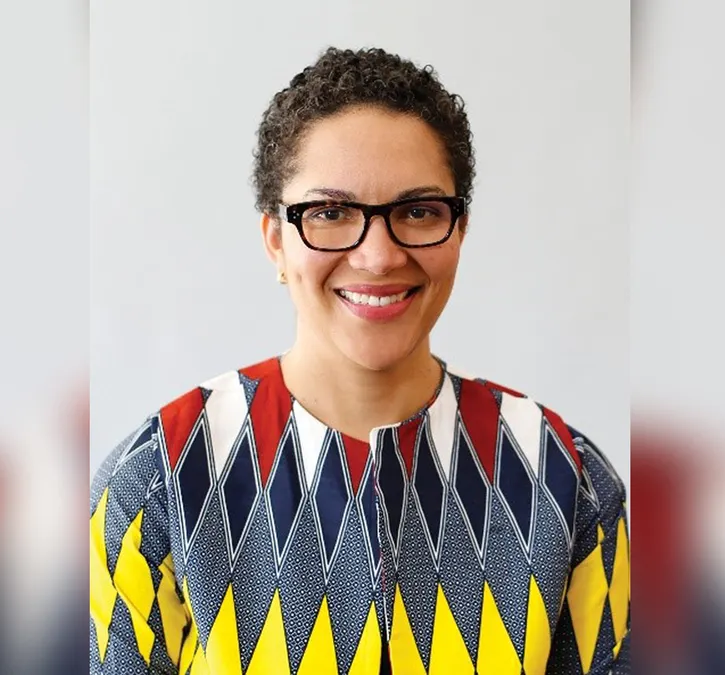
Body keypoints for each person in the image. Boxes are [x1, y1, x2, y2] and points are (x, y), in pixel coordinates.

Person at [89, 47, 630, 675]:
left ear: (459, 231)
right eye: (330, 212)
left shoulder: (567, 480)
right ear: (275, 240)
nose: (378, 256)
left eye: (418, 211)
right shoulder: (156, 481)